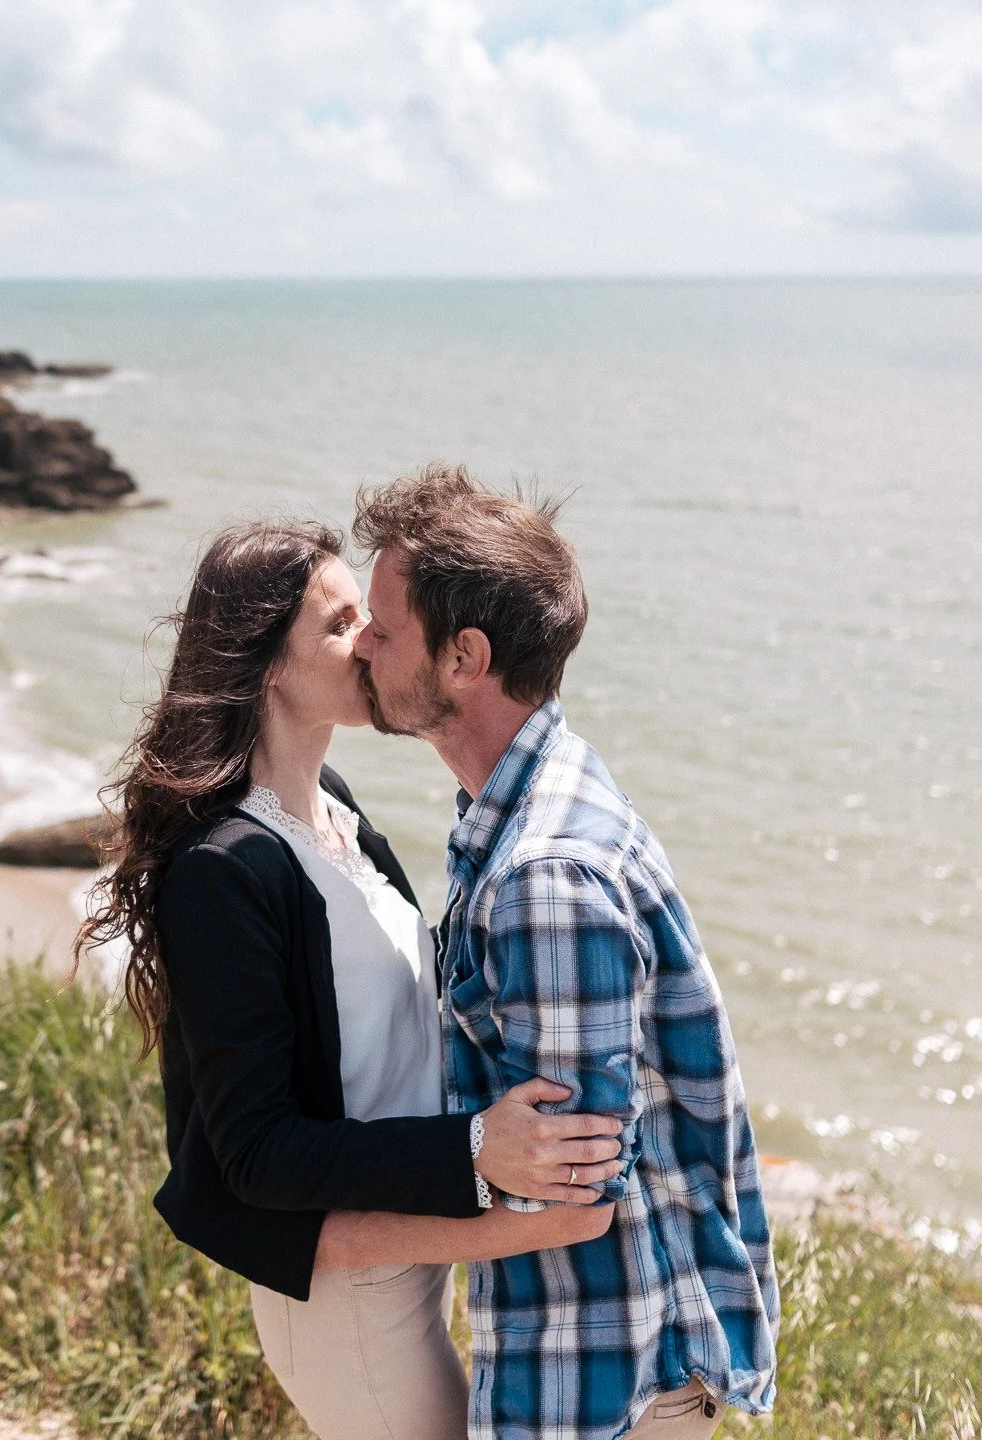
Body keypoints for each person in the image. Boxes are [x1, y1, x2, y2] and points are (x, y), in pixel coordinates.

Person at [75, 520, 624, 1440]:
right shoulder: (224, 867)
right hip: (345, 1300)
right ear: (267, 667)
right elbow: (258, 1153)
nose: (371, 639)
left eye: (369, 617)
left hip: (412, 1265)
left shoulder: (337, 815)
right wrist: (479, 1159)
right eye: (339, 625)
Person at [341, 465, 779, 1440]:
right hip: (601, 1366)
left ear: (466, 656)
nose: (360, 644)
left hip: (602, 1390)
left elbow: (572, 1194)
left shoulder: (545, 873)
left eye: (382, 624)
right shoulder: (520, 803)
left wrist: (324, 1222)